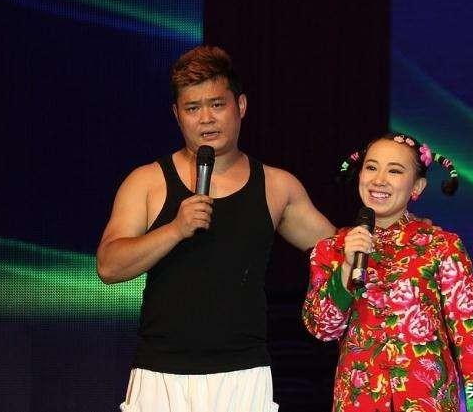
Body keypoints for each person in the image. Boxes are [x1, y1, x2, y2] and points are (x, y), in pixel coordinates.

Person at [96, 45, 335, 412]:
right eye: (193, 108)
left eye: (217, 105)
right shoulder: (146, 182)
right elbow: (109, 266)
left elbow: (339, 250)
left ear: (241, 106)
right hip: (161, 374)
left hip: (243, 374)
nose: (206, 119)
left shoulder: (277, 186)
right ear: (177, 115)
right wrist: (175, 229)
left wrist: (401, 230)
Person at [302, 133, 473, 412]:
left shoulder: (441, 246)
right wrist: (347, 267)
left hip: (428, 401)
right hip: (359, 403)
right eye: (371, 167)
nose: (379, 180)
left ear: (417, 187)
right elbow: (322, 329)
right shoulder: (332, 249)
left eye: (394, 171)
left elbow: (471, 334)